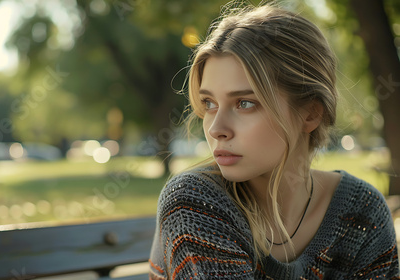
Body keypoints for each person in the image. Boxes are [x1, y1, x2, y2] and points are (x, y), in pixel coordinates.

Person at [149, 2, 400, 279]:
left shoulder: (361, 214)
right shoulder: (195, 202)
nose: (216, 128)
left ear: (311, 113)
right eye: (209, 103)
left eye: (244, 103)